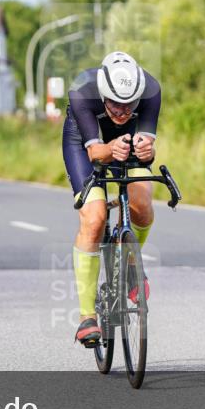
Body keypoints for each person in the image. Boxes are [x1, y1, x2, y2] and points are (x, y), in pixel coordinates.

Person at [63, 51, 161, 347]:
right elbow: (96, 154)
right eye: (116, 104)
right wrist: (111, 148)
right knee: (94, 219)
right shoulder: (82, 90)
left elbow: (148, 145)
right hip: (84, 142)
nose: (122, 111)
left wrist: (146, 151)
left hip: (126, 141)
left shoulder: (151, 90)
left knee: (142, 206)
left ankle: (130, 267)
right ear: (104, 95)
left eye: (129, 104)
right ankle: (86, 317)